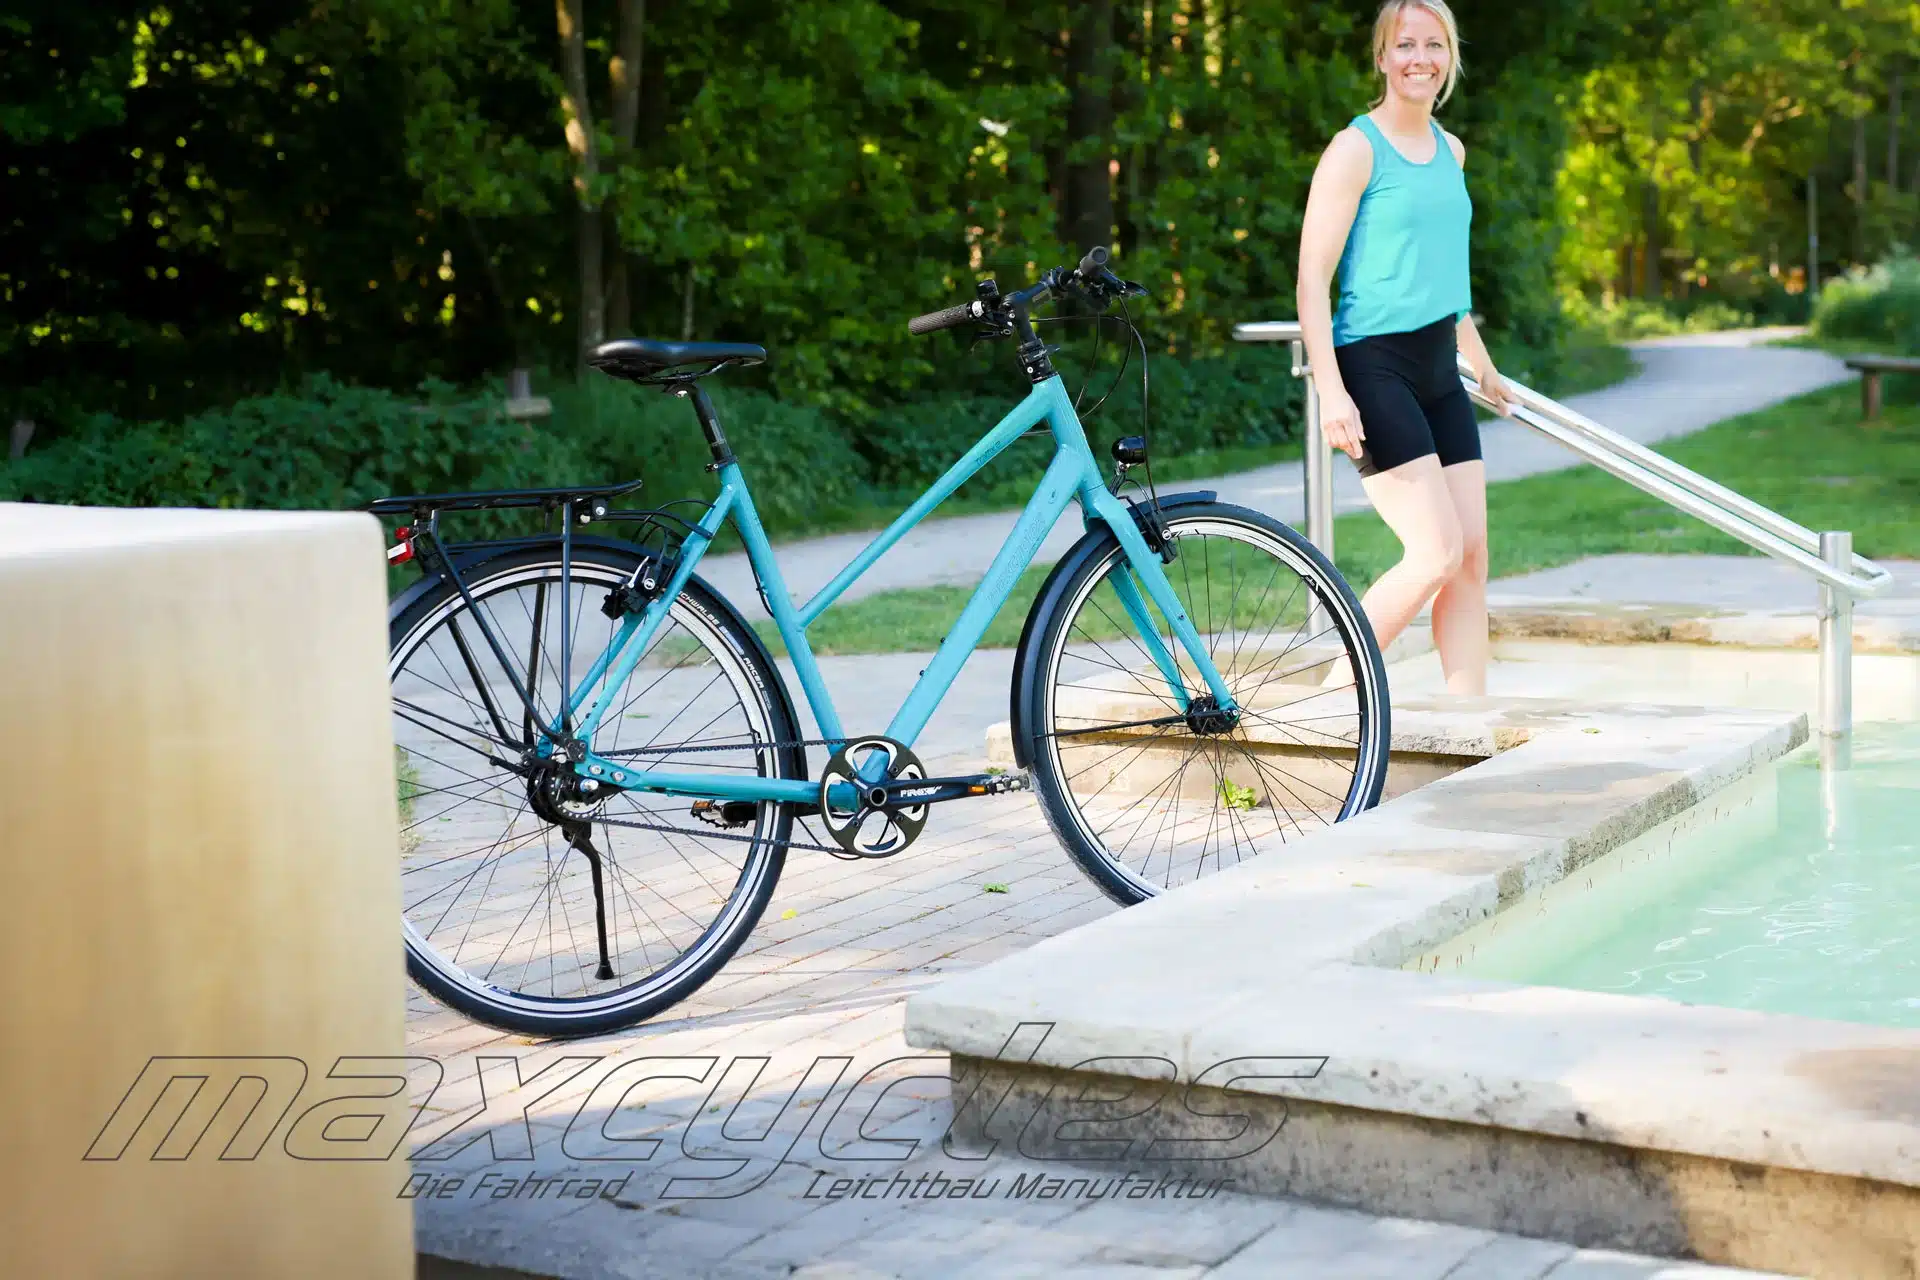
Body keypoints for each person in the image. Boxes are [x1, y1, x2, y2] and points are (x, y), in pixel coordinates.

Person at [1295, 0, 1511, 697]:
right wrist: (1331, 390)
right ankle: (1332, 702)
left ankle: (1469, 725)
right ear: (1383, 56)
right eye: (1406, 44)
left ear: (1450, 56)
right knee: (1435, 552)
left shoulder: (1452, 151)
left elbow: (1443, 278)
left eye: (1435, 44)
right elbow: (1311, 279)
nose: (1421, 58)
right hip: (1373, 366)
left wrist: (1481, 361)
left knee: (1471, 560)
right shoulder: (1355, 149)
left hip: (1439, 368)